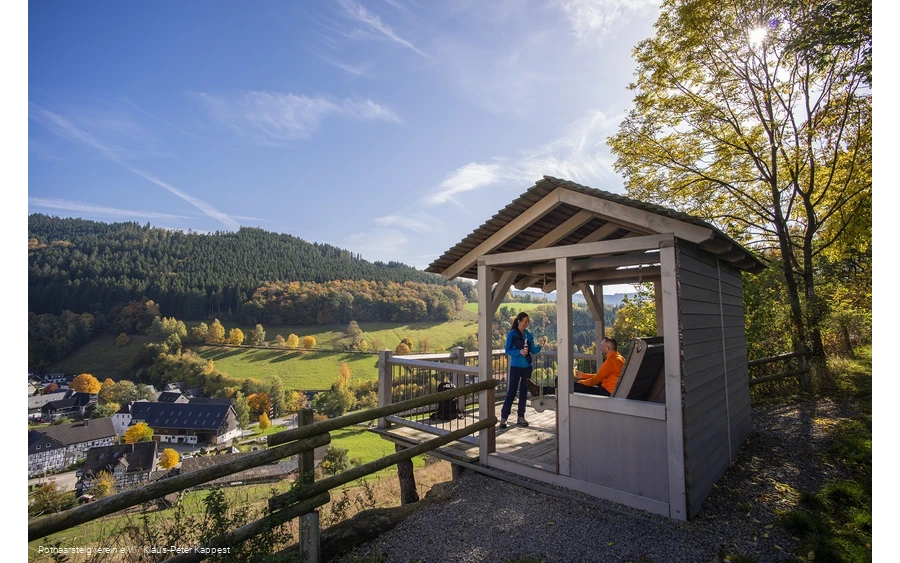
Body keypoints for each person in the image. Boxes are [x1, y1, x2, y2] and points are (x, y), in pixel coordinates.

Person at [528, 337, 625, 397]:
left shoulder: (611, 361)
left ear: (607, 348)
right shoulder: (619, 358)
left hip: (605, 393)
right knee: (562, 383)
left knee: (567, 385)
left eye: (602, 346)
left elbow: (594, 381)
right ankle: (542, 391)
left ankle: (541, 391)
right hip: (609, 390)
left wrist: (581, 382)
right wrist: (583, 375)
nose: (600, 348)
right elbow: (600, 376)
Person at [500, 312, 542, 428]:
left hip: (527, 367)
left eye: (527, 322)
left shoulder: (529, 334)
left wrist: (540, 345)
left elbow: (533, 350)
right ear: (519, 321)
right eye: (524, 322)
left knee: (524, 392)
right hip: (516, 366)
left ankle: (521, 417)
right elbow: (507, 350)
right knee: (512, 391)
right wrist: (519, 352)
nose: (526, 324)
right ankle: (504, 418)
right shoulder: (512, 334)